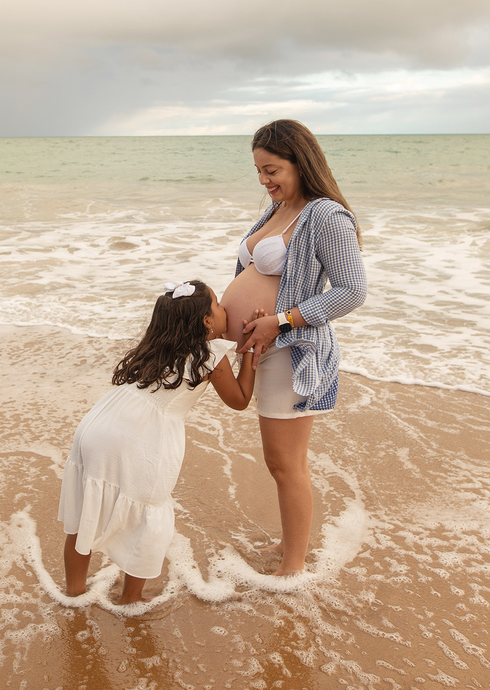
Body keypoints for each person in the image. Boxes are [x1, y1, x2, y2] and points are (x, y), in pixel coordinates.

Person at [222, 119, 367, 575]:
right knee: (279, 462)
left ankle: (294, 566)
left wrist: (279, 321)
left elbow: (351, 291)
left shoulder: (326, 216)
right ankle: (290, 545)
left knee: (286, 463)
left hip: (292, 349)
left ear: (300, 162)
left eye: (272, 171)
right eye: (258, 172)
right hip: (263, 349)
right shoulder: (278, 210)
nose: (264, 181)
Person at [58, 280, 260, 605]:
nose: (225, 309)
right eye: (218, 305)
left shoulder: (157, 345)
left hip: (99, 424)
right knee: (148, 514)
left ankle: (74, 593)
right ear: (206, 321)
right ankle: (130, 599)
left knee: (85, 517)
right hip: (139, 435)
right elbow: (239, 399)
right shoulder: (210, 354)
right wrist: (251, 350)